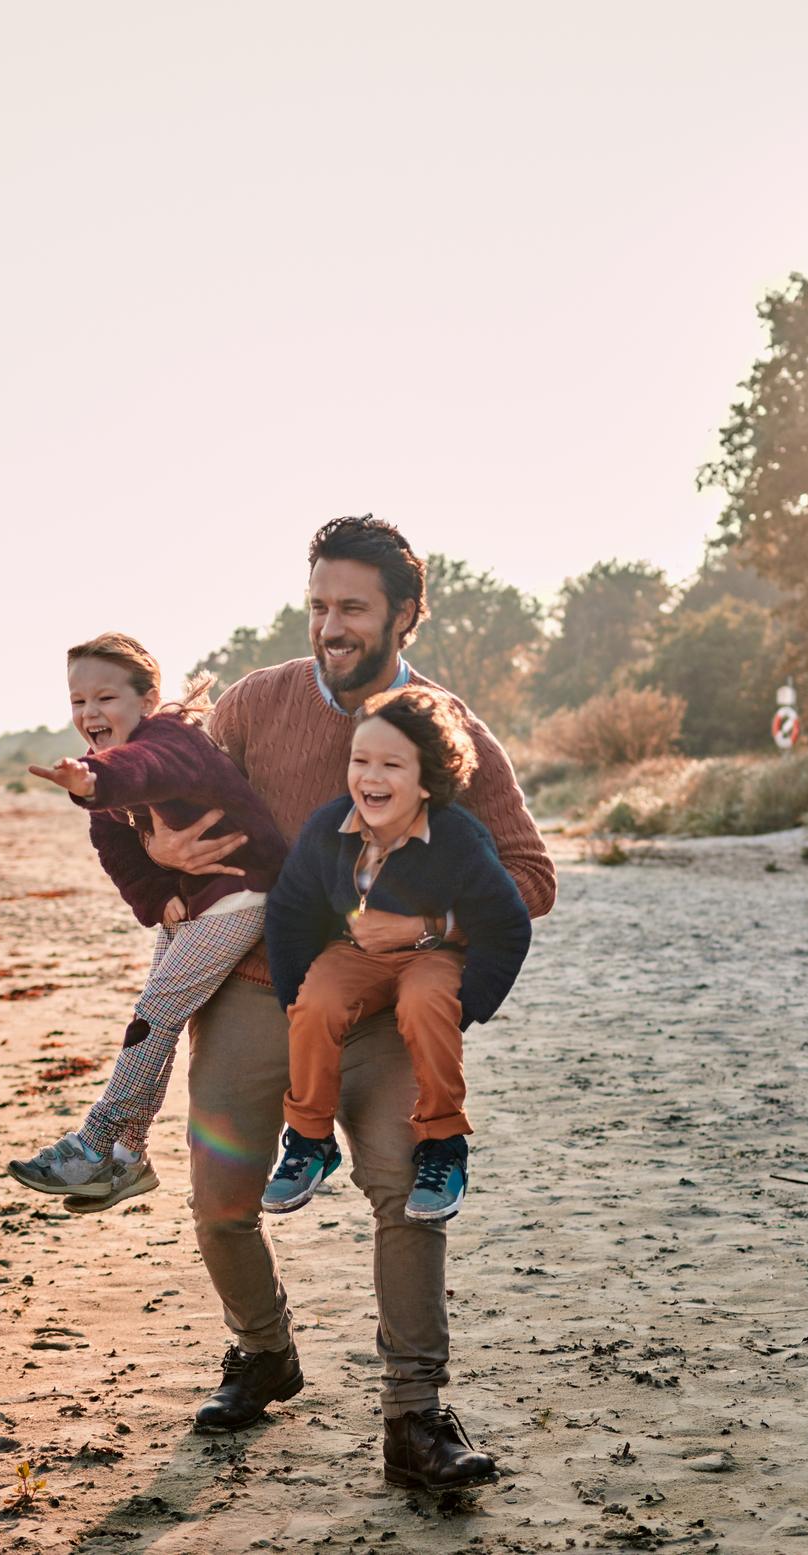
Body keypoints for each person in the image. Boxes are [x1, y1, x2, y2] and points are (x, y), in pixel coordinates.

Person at [139, 514, 556, 1490]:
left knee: (406, 1193)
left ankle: (416, 1418)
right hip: (252, 991)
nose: (330, 624)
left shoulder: (449, 731)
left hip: (385, 1007)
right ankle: (263, 1349)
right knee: (219, 1200)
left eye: (353, 607)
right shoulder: (250, 704)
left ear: (405, 614)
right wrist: (158, 851)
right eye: (318, 603)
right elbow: (171, 813)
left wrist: (421, 931)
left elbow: (530, 872)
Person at [6, 632, 289, 1209]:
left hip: (246, 890)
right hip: (195, 899)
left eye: (105, 698)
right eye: (78, 701)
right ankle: (127, 1159)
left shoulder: (171, 741)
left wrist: (95, 781)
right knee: (155, 1017)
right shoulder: (105, 769)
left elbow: (145, 767)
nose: (89, 713)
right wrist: (157, 896)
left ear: (148, 700)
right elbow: (116, 849)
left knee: (155, 1013)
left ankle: (96, 1140)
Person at [261, 686, 531, 1224]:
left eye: (391, 764)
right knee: (317, 1003)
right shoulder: (327, 829)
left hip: (430, 955)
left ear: (428, 778)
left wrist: (467, 1005)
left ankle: (443, 1141)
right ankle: (311, 1138)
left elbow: (506, 922)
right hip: (354, 953)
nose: (371, 777)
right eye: (360, 761)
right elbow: (289, 910)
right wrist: (295, 995)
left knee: (428, 1000)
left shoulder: (457, 838)